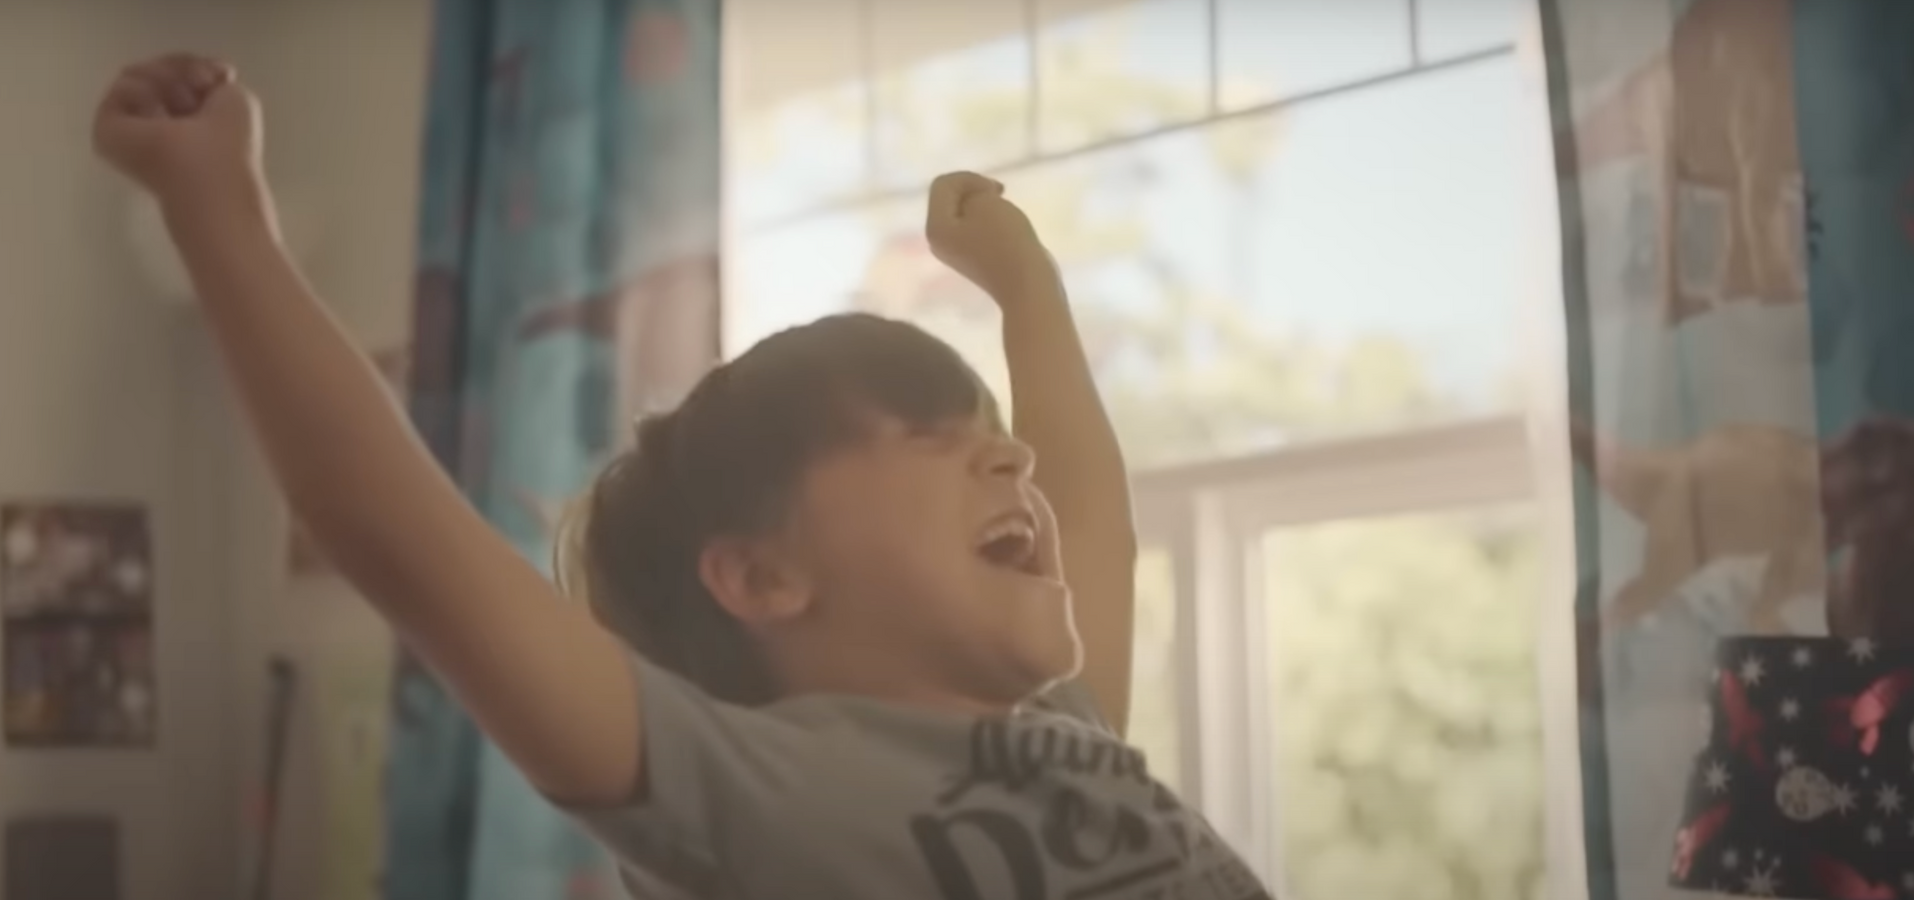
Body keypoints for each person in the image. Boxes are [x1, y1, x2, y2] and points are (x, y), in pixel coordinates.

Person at [92, 53, 1273, 900]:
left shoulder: (1065, 739)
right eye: (930, 436)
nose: (1010, 455)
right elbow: (388, 527)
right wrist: (220, 212)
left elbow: (1094, 521)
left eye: (992, 432)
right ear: (761, 575)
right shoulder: (766, 795)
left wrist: (1028, 288)